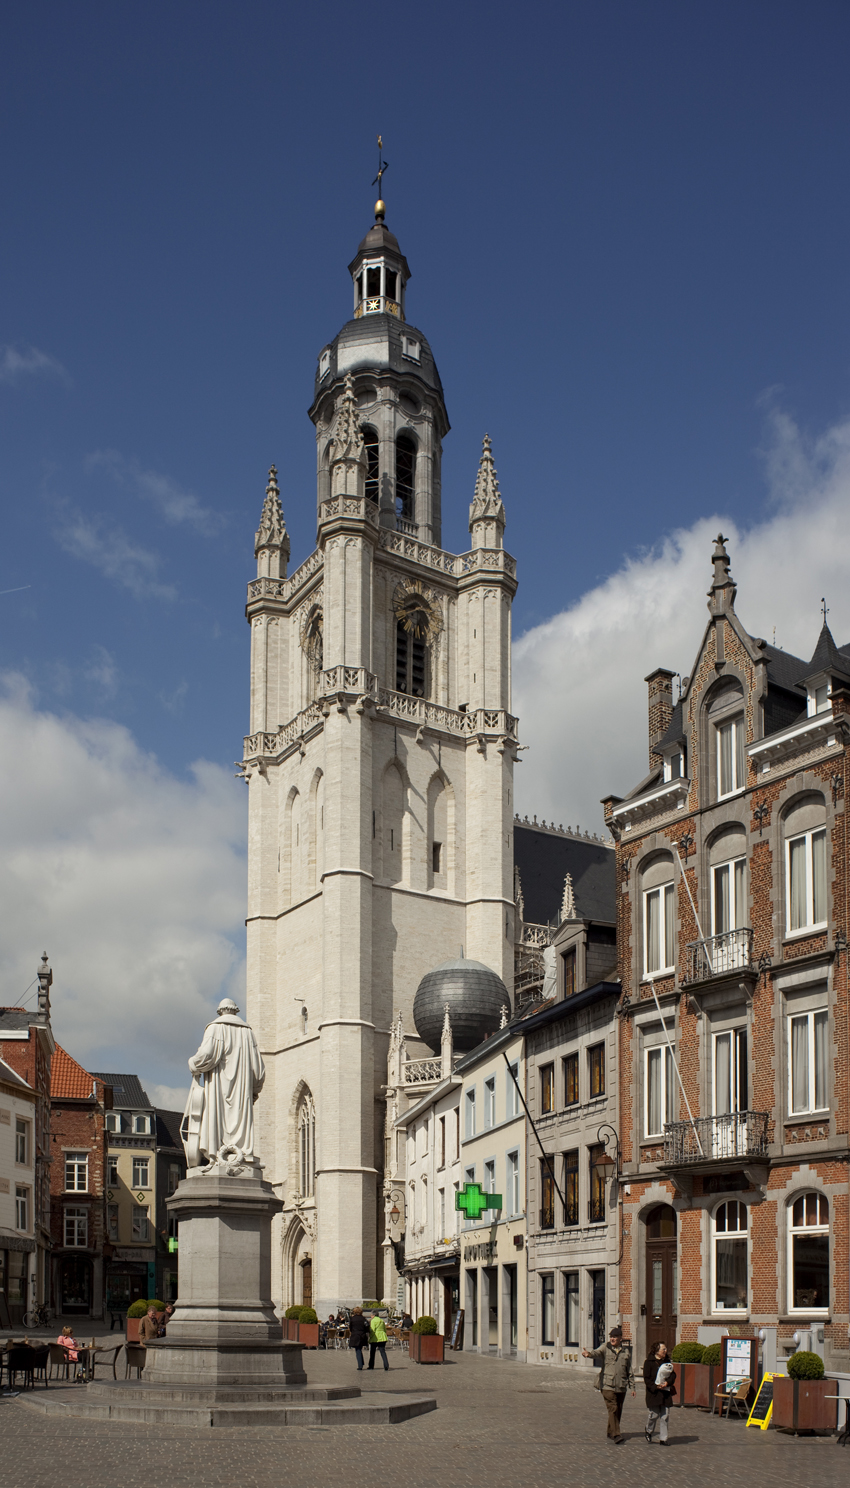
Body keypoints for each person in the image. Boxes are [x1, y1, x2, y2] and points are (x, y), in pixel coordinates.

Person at [183, 998, 265, 1170]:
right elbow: (258, 1070)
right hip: (242, 1093)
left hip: (218, 1089)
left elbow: (206, 1055)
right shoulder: (248, 1033)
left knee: (217, 1117)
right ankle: (241, 1154)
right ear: (236, 1011)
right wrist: (254, 1091)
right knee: (240, 1116)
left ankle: (216, 1154)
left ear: (220, 1011)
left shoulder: (215, 1028)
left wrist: (192, 1063)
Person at [582, 1326, 635, 1442]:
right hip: (607, 1385)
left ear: (620, 1338)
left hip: (621, 1385)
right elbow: (596, 1353)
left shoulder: (625, 1351)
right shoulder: (605, 1347)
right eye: (611, 1336)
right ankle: (616, 1435)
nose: (612, 1339)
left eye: (615, 1337)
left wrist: (632, 1387)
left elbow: (629, 1370)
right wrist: (588, 1354)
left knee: (618, 1410)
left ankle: (610, 1432)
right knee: (613, 1408)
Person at [643, 1342, 676, 1445]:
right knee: (654, 1414)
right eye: (663, 1349)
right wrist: (655, 1386)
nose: (665, 1351)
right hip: (654, 1393)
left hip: (665, 1392)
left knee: (665, 1416)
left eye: (666, 1349)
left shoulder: (667, 1361)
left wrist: (667, 1383)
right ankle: (648, 1430)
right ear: (657, 1351)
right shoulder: (649, 1362)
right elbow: (647, 1379)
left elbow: (673, 1375)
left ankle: (663, 1438)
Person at [348, 1306, 369, 1371]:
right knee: (359, 1349)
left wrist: (353, 1332)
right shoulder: (364, 1319)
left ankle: (360, 1365)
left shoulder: (352, 1319)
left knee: (358, 1350)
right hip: (362, 1335)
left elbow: (350, 1327)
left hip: (355, 1335)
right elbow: (367, 1327)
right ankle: (361, 1363)